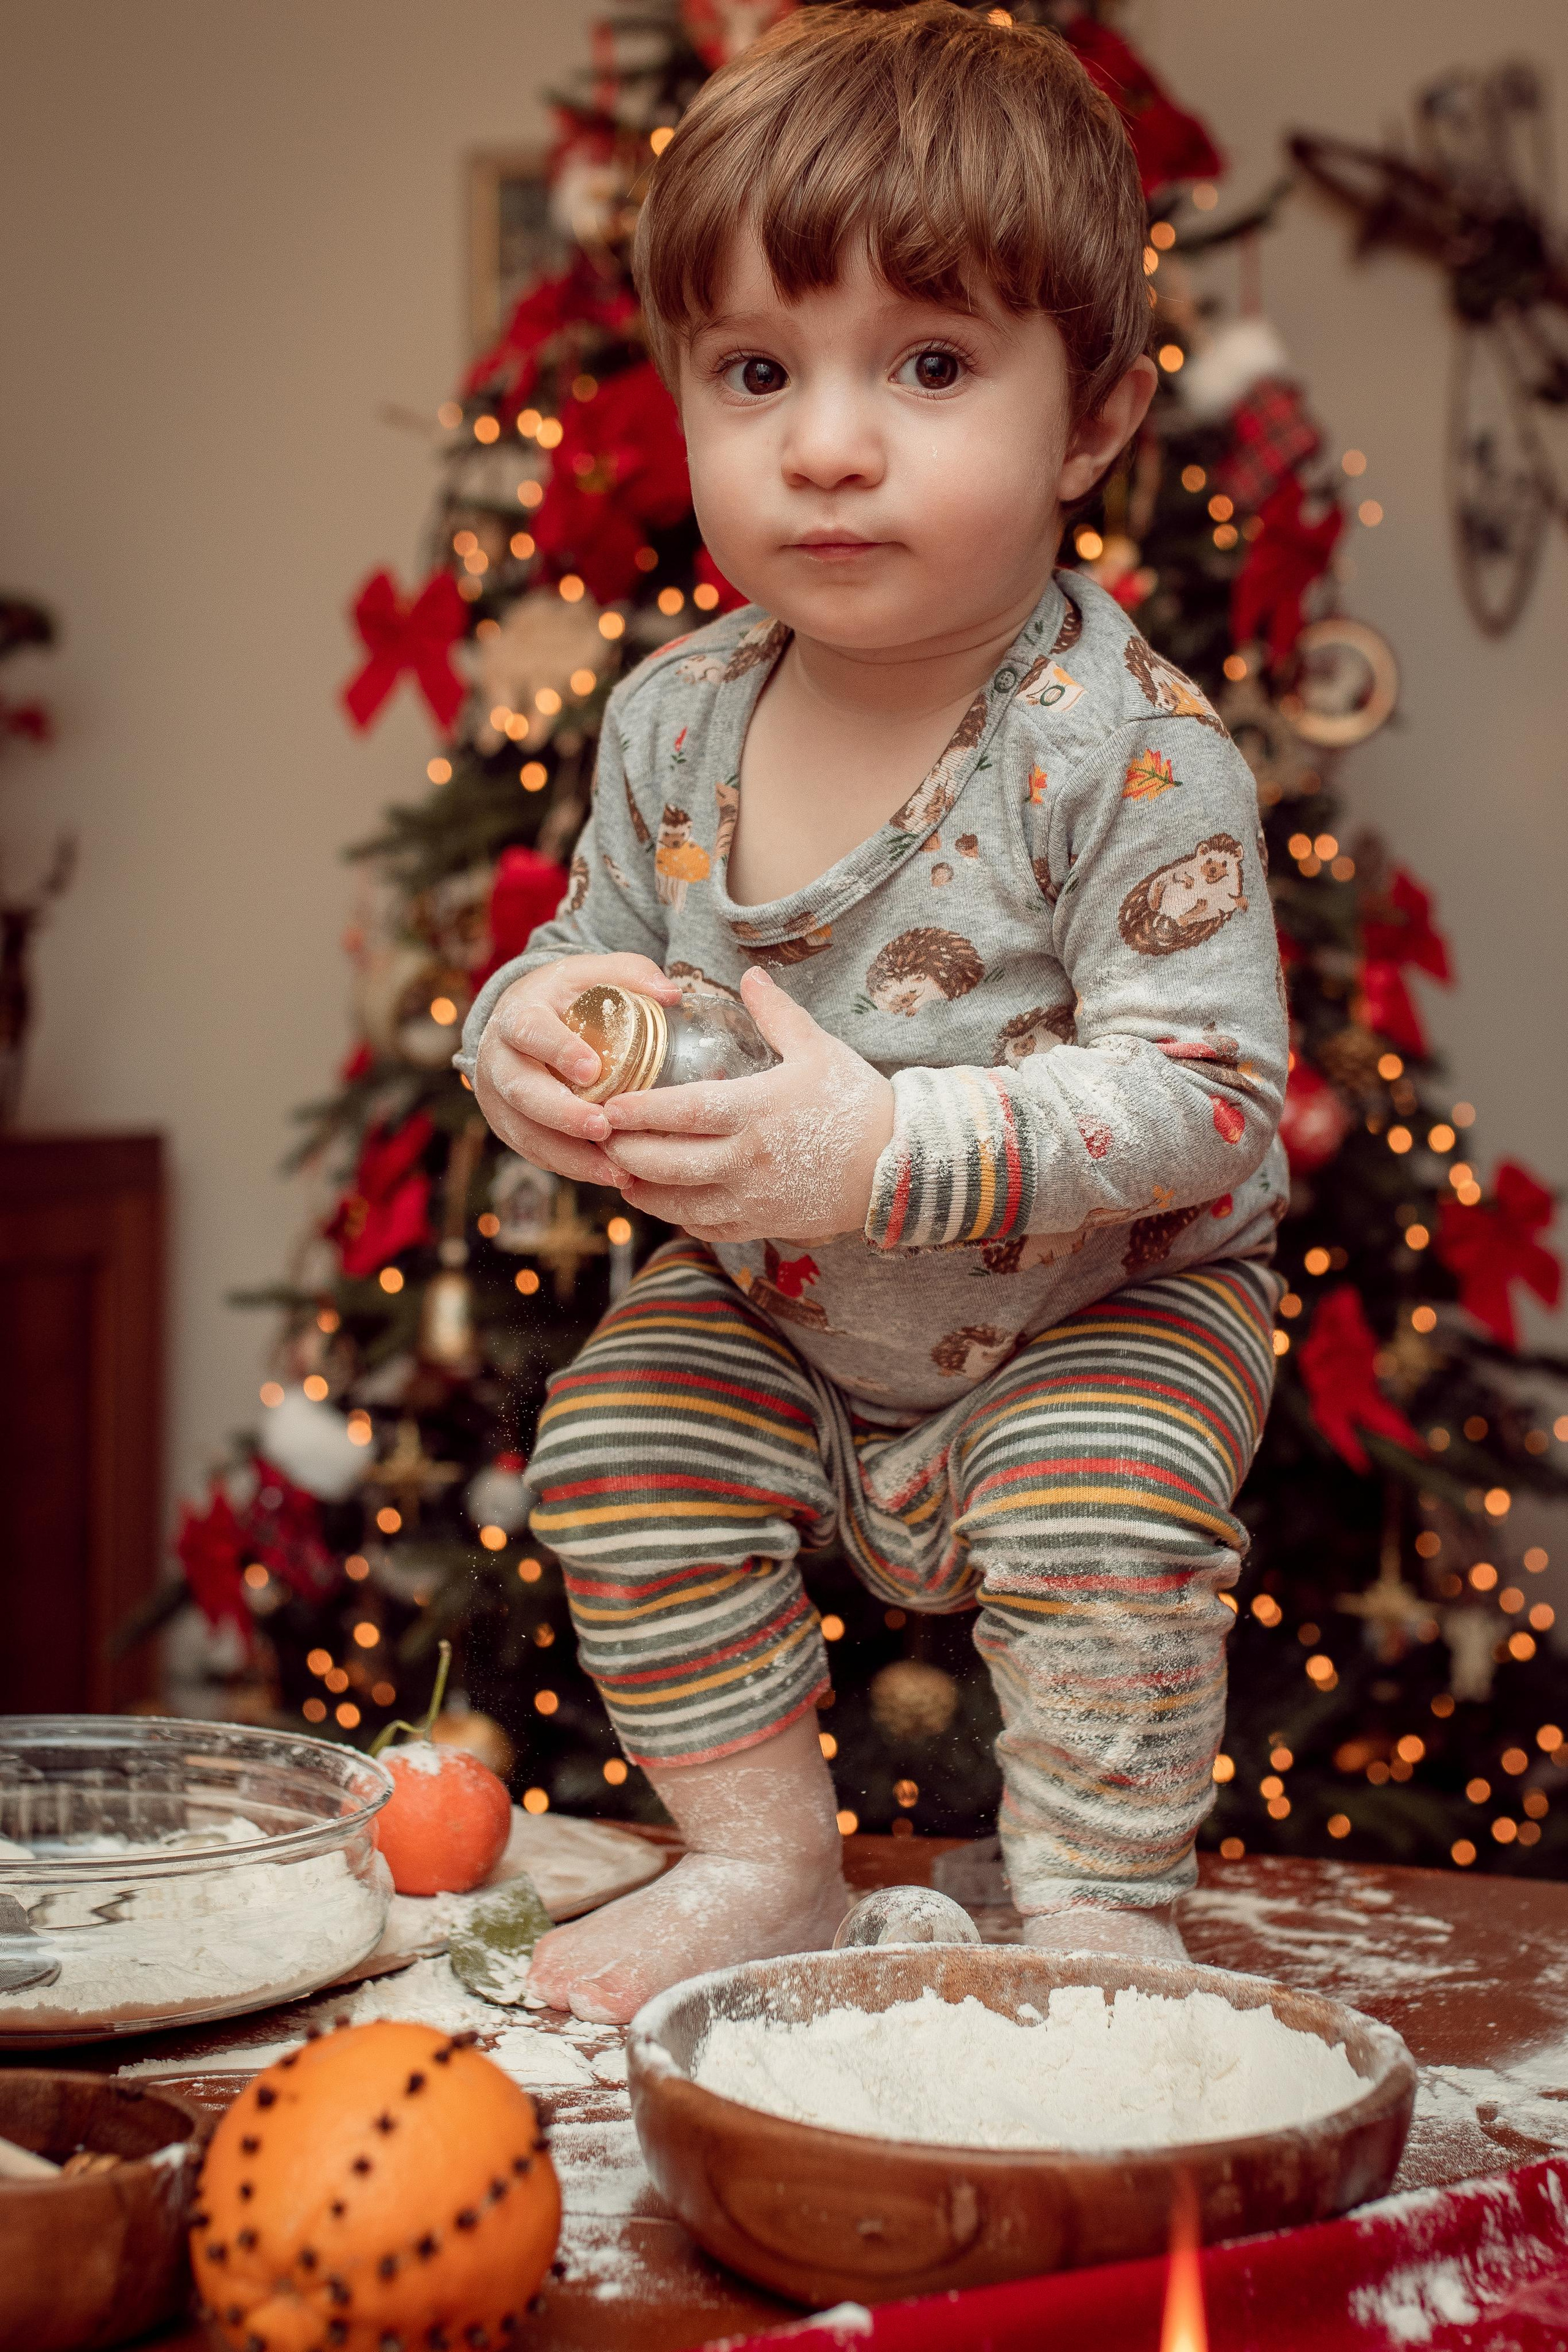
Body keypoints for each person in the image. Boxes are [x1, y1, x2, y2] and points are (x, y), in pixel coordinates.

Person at [459, 1, 1286, 2023]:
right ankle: (757, 1861)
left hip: (1099, 1308)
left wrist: (889, 1152)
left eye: (927, 365)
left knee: (1105, 1507)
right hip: (770, 1306)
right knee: (618, 1437)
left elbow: (1214, 1099)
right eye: (757, 370)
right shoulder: (669, 719)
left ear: (1089, 417)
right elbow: (592, 957)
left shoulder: (1130, 751)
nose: (825, 442)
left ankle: (1099, 1904)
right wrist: (529, 1042)